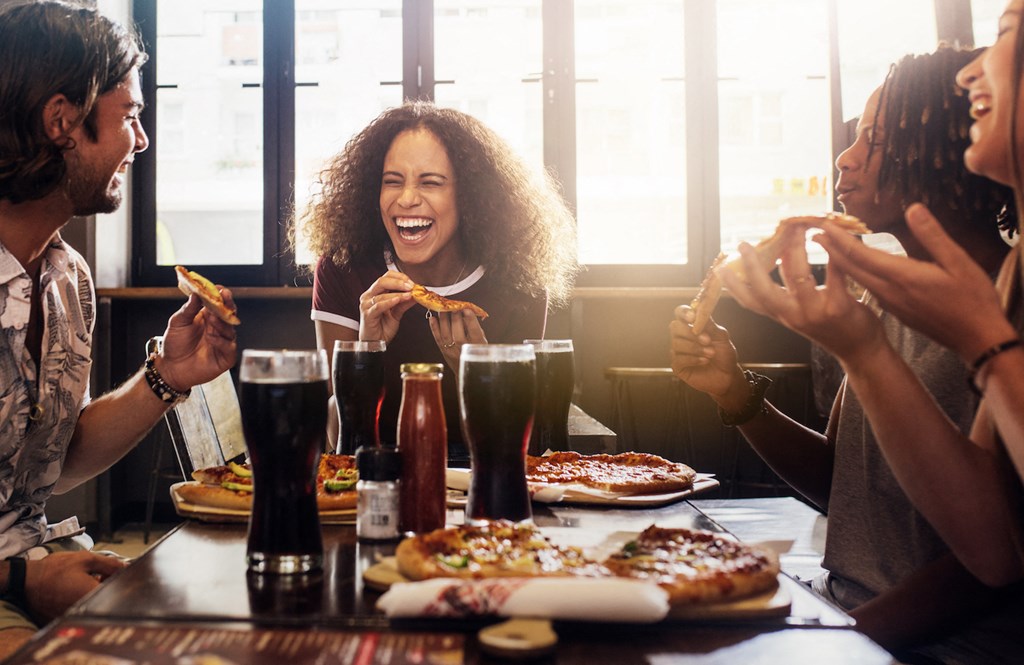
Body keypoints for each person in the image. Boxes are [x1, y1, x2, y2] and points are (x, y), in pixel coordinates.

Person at [671, 46, 1024, 661]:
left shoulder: (1008, 304)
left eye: (875, 140)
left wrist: (830, 639)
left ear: (947, 149)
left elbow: (995, 560)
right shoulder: (884, 292)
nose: (846, 157)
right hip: (843, 605)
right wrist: (734, 392)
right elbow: (844, 489)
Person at [0, 2, 237, 656]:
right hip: (18, 573)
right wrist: (23, 576)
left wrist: (166, 377)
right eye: (130, 117)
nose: (142, 141)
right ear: (62, 123)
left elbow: (57, 456)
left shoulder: (68, 279)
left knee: (208, 635)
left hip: (37, 556)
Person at [302, 101, 578, 463]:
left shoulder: (519, 282)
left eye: (430, 182)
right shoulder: (342, 267)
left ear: (471, 197)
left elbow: (518, 448)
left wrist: (477, 373)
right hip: (375, 471)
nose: (407, 199)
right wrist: (367, 353)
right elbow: (337, 434)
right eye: (392, 182)